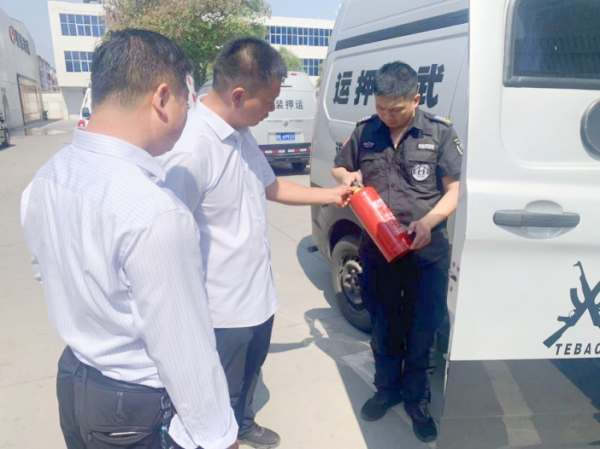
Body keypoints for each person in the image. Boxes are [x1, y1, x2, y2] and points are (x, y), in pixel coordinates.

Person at [20, 29, 238, 449]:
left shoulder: (47, 177)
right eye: (186, 101)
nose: (187, 114)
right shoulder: (156, 212)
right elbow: (184, 352)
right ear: (162, 98)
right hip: (133, 409)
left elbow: (45, 271)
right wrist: (220, 436)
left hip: (75, 382)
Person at [158, 37, 352, 449]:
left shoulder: (241, 133)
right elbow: (166, 242)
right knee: (217, 393)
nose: (273, 110)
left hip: (256, 295)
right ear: (238, 94)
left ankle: (243, 424)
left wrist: (332, 195)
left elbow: (272, 186)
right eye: (269, 102)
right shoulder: (190, 151)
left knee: (249, 373)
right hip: (219, 308)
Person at [331, 61, 462, 443]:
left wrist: (429, 221)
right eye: (381, 107)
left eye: (396, 109)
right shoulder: (366, 130)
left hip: (426, 253)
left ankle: (417, 402)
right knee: (384, 326)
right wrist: (348, 177)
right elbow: (340, 167)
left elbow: (454, 190)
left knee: (422, 331)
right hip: (378, 249)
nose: (387, 115)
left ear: (416, 99)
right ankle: (386, 390)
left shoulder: (439, 132)